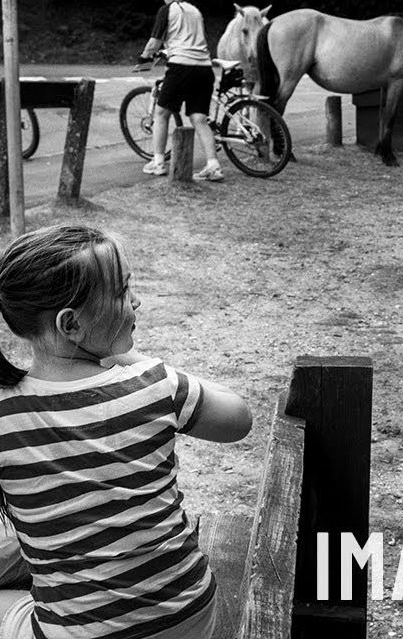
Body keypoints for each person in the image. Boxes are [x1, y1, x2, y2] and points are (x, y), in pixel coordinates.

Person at [0, 224, 252, 638]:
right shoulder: (154, 383)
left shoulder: (7, 413)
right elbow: (238, 419)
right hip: (189, 614)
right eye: (122, 293)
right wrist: (138, 360)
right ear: (71, 325)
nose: (137, 301)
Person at [137, 0, 225, 181]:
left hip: (181, 67)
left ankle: (158, 162)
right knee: (199, 119)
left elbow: (154, 42)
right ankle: (213, 165)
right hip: (204, 67)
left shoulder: (167, 10)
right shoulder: (195, 11)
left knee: (161, 113)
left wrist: (144, 57)